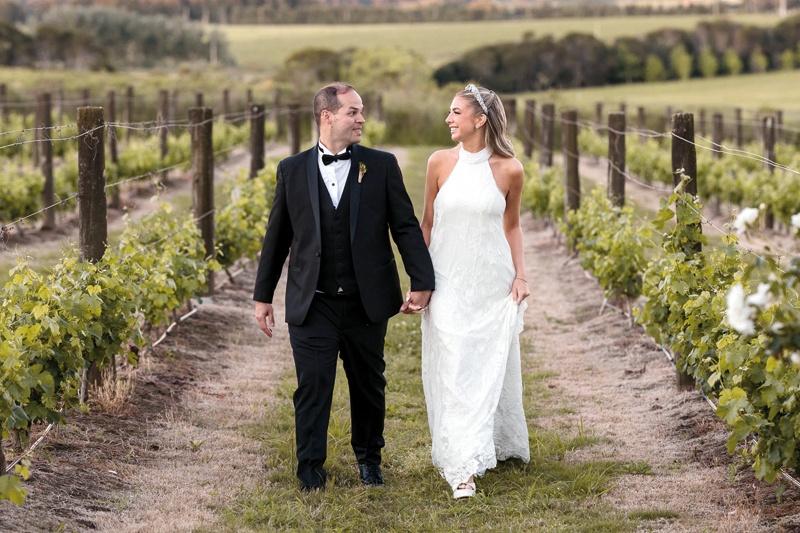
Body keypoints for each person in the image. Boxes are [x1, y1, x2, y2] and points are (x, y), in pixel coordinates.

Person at [253, 82, 435, 492]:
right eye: (353, 112)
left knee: (368, 386)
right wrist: (263, 296)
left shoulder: (381, 165)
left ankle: (370, 462)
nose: (361, 119)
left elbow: (405, 227)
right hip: (312, 301)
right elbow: (277, 237)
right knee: (313, 388)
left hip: (366, 302)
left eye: (361, 111)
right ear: (327, 116)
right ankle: (310, 472)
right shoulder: (291, 169)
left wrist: (422, 280)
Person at [420, 84, 531, 500]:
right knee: (454, 365)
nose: (448, 119)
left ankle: (487, 443)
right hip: (447, 279)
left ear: (480, 119)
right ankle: (461, 467)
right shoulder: (438, 162)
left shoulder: (510, 169)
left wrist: (521, 276)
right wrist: (420, 281)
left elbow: (512, 226)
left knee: (486, 363)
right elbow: (427, 224)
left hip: (491, 282)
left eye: (456, 112)